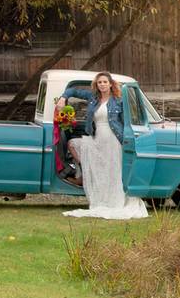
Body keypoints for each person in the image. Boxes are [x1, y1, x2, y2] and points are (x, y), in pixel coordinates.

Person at [55, 72, 148, 220]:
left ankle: (112, 201)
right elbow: (73, 91)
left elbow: (126, 120)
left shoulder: (118, 100)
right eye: (99, 82)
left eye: (105, 82)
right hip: (97, 137)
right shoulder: (93, 97)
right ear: (96, 85)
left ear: (111, 84)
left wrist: (128, 138)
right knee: (73, 144)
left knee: (111, 171)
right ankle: (83, 172)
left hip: (113, 139)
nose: (102, 84)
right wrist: (63, 98)